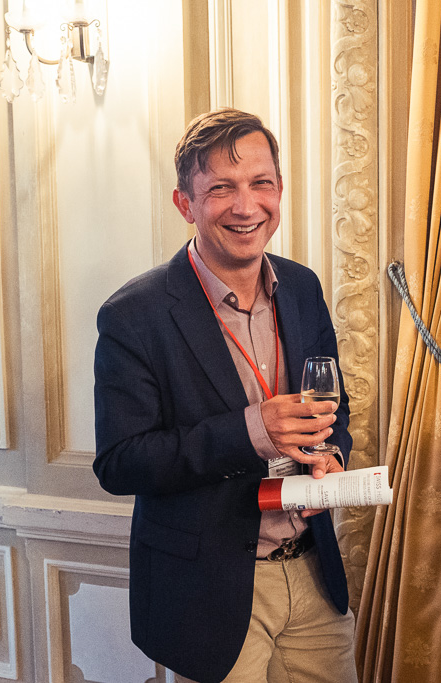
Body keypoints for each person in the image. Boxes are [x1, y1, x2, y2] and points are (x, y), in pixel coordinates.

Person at [93, 108, 356, 683]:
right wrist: (252, 431)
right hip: (211, 594)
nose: (246, 205)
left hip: (314, 573)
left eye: (261, 183)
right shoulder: (133, 315)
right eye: (220, 189)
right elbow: (120, 463)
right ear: (184, 203)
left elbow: (334, 409)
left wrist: (331, 455)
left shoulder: (303, 287)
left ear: (279, 190)